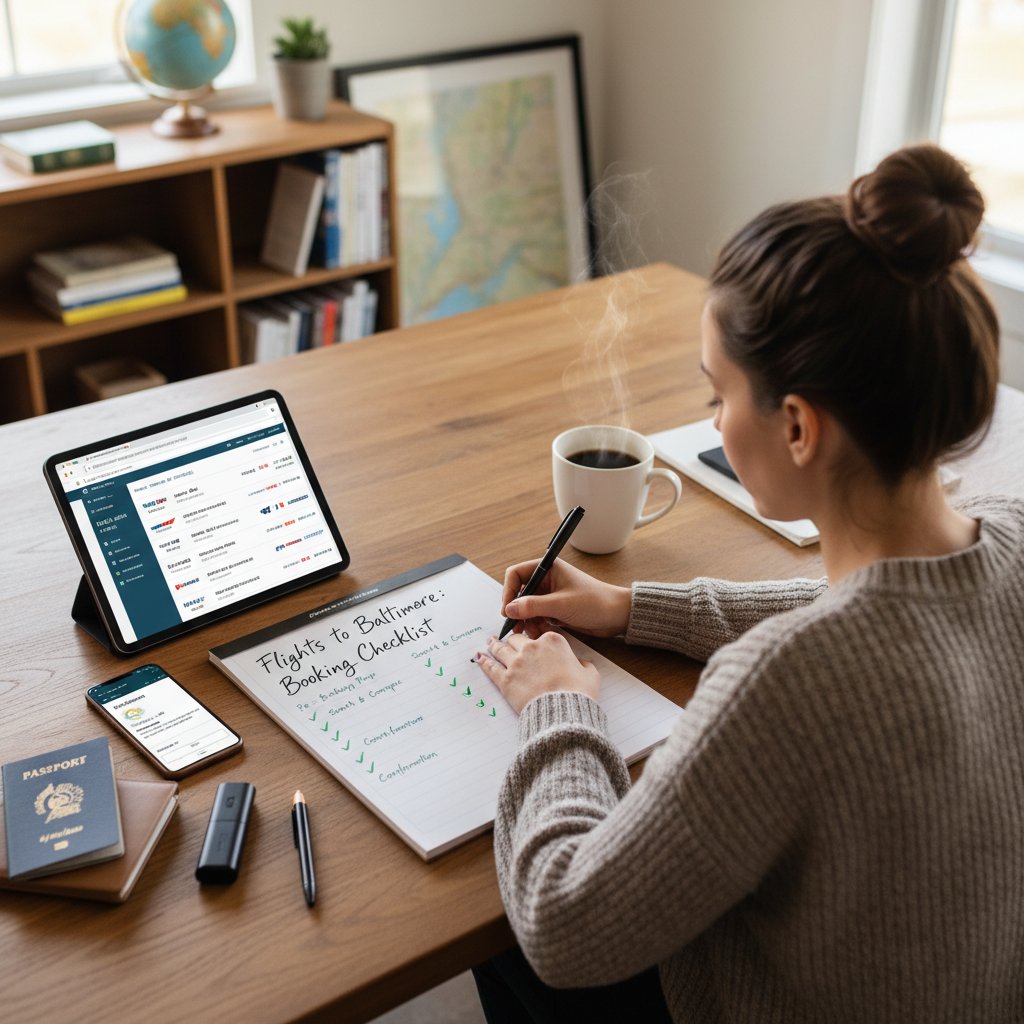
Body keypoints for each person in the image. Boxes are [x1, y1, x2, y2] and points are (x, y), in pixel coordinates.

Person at [472, 143, 1024, 1023]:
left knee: (500, 941)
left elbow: (564, 923)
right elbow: (885, 615)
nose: (713, 421)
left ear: (799, 426)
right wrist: (635, 607)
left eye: (716, 398)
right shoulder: (1014, 535)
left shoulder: (782, 686)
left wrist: (558, 710)